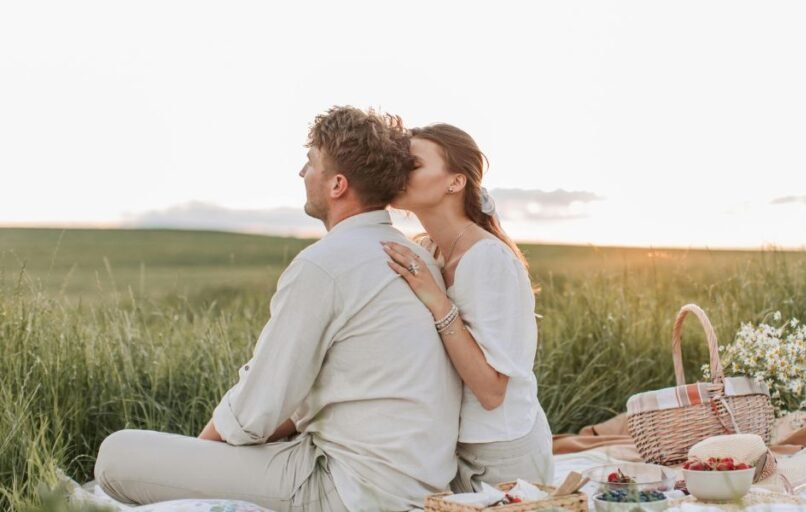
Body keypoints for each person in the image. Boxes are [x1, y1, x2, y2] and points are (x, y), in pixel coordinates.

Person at [94, 106, 462, 511]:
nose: (302, 174)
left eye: (310, 164)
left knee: (117, 455)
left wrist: (197, 459)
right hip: (421, 483)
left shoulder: (324, 264)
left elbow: (256, 410)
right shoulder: (417, 258)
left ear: (338, 184)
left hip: (348, 489)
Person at [383, 123, 554, 493]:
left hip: (502, 455)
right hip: (451, 448)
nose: (399, 172)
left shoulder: (486, 259)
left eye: (413, 164)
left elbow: (492, 392)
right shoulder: (429, 251)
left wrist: (438, 301)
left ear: (455, 182)